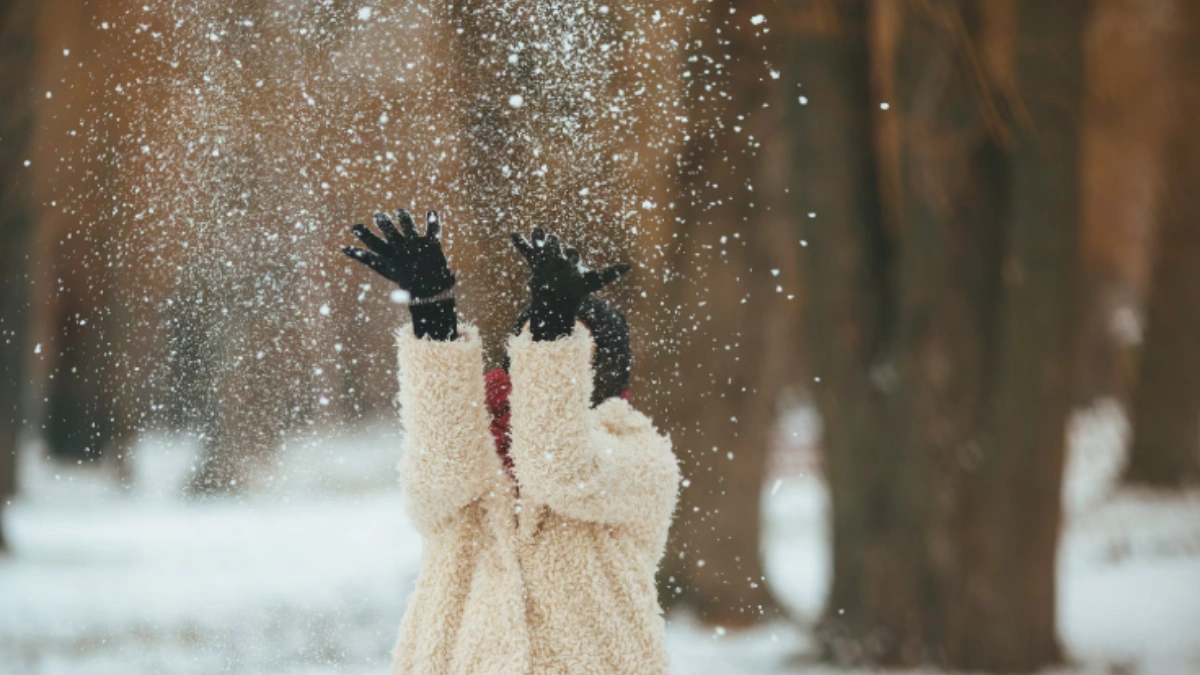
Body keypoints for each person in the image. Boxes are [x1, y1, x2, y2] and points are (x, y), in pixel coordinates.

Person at [343, 208, 681, 675]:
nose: (548, 357)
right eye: (536, 341)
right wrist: (433, 313)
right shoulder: (466, 442)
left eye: (568, 347)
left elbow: (561, 468)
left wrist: (551, 330)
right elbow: (441, 480)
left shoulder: (641, 457)